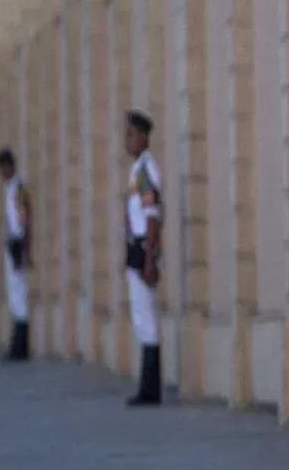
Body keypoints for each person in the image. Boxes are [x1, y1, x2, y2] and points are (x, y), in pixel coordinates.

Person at [123, 109, 164, 406]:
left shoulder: (146, 171)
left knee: (146, 318)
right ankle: (147, 387)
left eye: (131, 134)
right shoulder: (138, 169)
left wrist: (150, 259)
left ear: (144, 136)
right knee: (140, 317)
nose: (127, 140)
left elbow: (152, 216)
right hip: (136, 247)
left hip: (143, 248)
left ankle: (150, 389)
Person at [0, 147, 32, 362]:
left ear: (10, 166)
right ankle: (16, 344)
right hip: (11, 243)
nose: (1, 172)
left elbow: (25, 218)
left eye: (2, 167)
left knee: (19, 295)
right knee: (14, 295)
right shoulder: (9, 188)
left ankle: (21, 346)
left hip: (18, 243)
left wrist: (25, 248)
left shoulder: (18, 188)